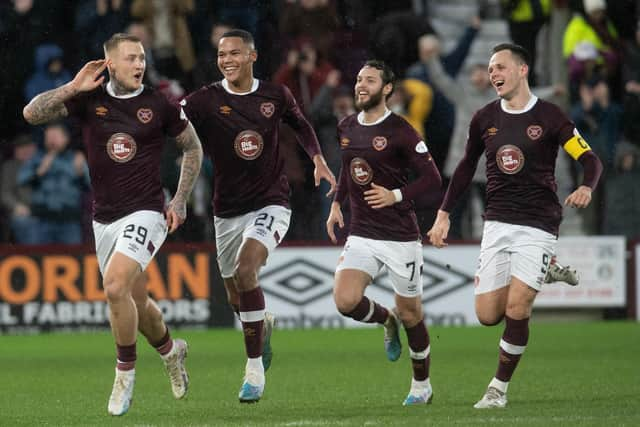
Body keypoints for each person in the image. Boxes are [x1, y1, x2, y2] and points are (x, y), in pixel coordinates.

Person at [22, 33, 203, 416]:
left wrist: (181, 199)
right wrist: (72, 86)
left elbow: (192, 147)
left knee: (114, 284)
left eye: (142, 57)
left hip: (147, 212)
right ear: (111, 64)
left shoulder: (159, 104)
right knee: (135, 302)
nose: (139, 64)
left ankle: (124, 375)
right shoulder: (89, 100)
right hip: (104, 219)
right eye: (131, 58)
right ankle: (172, 352)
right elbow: (31, 114)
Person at [427, 43, 603, 409]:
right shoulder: (484, 118)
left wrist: (587, 186)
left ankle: (497, 389)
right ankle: (546, 271)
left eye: (500, 67)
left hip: (539, 223)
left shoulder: (552, 117)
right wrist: (443, 213)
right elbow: (463, 168)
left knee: (518, 308)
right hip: (497, 224)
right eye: (491, 69)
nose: (493, 74)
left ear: (522, 70)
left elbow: (590, 160)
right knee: (488, 314)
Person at [180, 29, 336, 403]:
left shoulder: (274, 94)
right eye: (221, 55)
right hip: (227, 209)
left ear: (252, 57)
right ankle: (261, 323)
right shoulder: (206, 100)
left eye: (234, 53)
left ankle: (253, 372)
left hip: (271, 202)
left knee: (248, 269)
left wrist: (317, 158)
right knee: (236, 295)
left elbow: (300, 123)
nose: (227, 60)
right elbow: (170, 119)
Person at [326, 60, 442, 406]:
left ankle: (422, 385)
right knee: (345, 300)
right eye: (359, 79)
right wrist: (337, 203)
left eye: (370, 80)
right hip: (362, 232)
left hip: (400, 237)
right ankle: (385, 318)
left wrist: (395, 195)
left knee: (412, 314)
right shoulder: (347, 125)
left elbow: (432, 179)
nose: (361, 85)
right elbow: (349, 169)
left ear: (387, 88)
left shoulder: (402, 131)